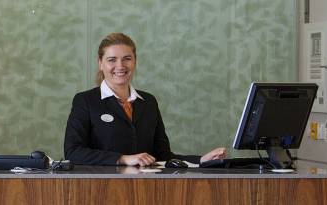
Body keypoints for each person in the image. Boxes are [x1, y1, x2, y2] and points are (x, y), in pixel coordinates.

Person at [63, 32, 227, 167]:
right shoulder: (85, 101)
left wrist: (201, 161)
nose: (120, 66)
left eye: (127, 58)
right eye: (112, 60)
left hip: (146, 191)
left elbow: (163, 155)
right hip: (102, 190)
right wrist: (123, 158)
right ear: (100, 63)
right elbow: (73, 152)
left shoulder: (148, 102)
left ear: (135, 61)